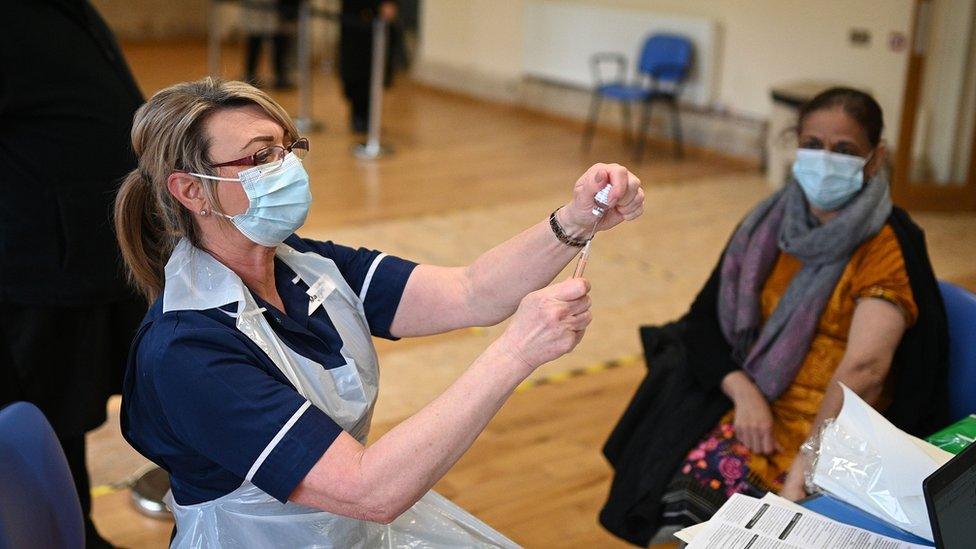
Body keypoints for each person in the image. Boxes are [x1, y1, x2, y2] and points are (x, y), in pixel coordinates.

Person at [115, 78, 644, 546]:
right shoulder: (187, 350)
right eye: (260, 158)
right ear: (191, 191)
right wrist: (516, 352)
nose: (288, 169)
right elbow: (369, 490)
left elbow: (472, 292)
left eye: (287, 148)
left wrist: (578, 219)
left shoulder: (305, 266)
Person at [599, 88, 949, 546]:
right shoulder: (770, 221)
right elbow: (703, 320)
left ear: (874, 158)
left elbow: (867, 369)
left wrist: (811, 457)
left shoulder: (886, 243)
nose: (826, 160)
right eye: (813, 145)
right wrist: (743, 392)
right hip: (759, 406)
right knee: (674, 495)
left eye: (844, 151)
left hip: (833, 431)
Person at [0, 2, 145, 547]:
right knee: (36, 422)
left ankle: (74, 528)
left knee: (66, 415)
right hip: (34, 271)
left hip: (89, 257)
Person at [340, 0, 400, 133]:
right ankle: (358, 115)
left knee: (376, 71)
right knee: (357, 71)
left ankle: (369, 117)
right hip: (357, 22)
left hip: (376, 23)